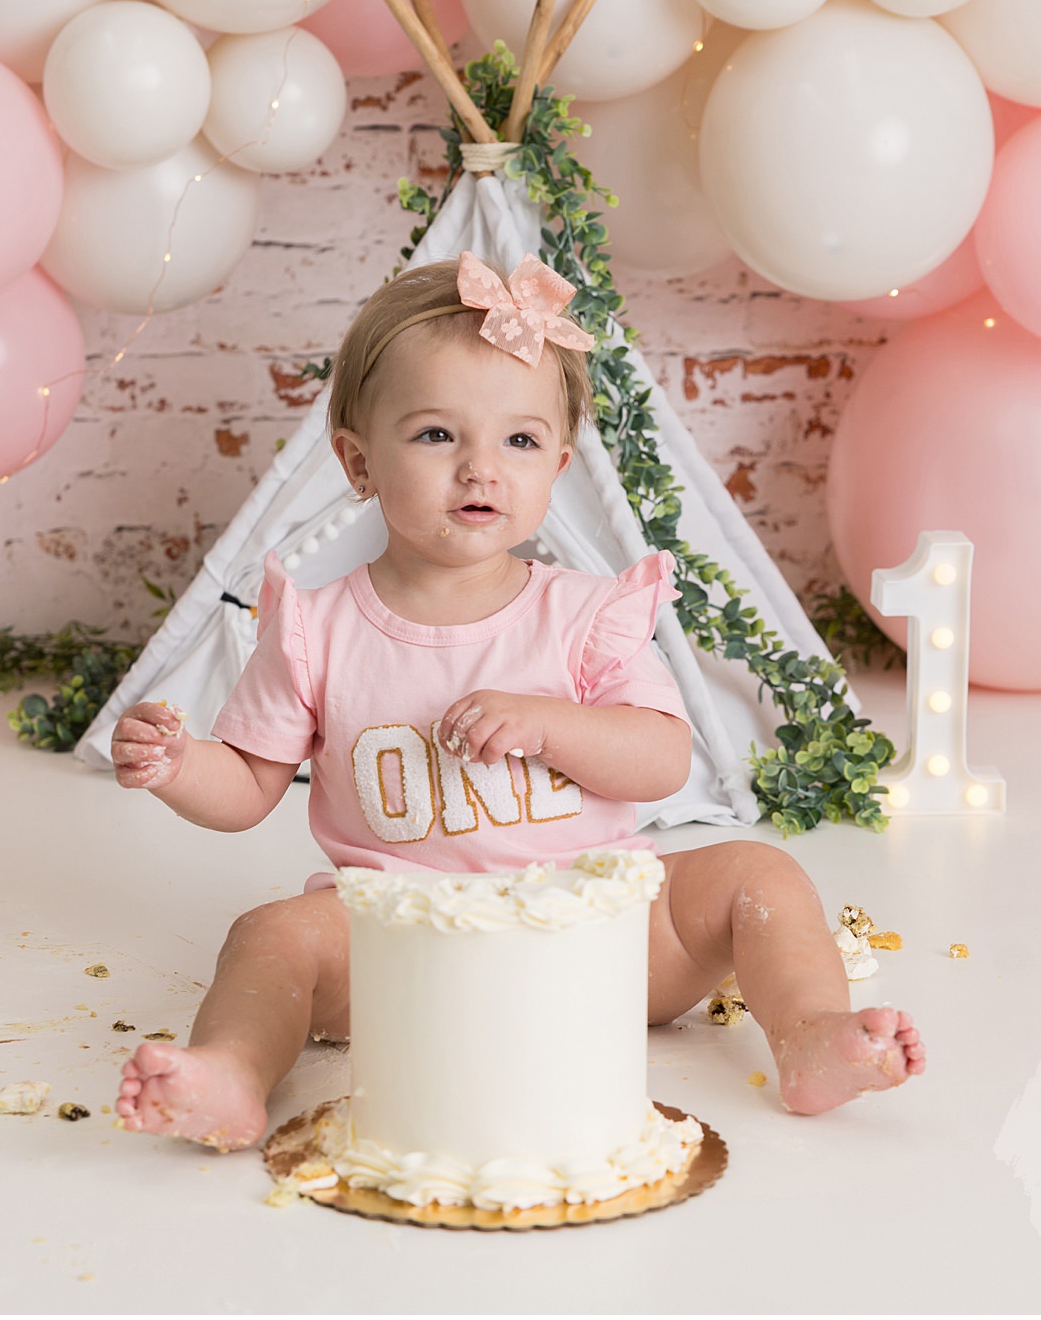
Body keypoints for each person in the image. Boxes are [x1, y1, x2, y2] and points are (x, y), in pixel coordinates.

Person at [109, 252, 925, 1150]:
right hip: (406, 943)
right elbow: (249, 787)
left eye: (519, 441)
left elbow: (661, 759)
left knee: (756, 875)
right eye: (434, 435)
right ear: (357, 461)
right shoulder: (315, 627)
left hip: (598, 933)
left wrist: (550, 721)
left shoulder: (582, 616)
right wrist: (182, 765)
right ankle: (231, 1073)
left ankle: (809, 1036)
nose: (479, 470)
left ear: (559, 465)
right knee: (271, 935)